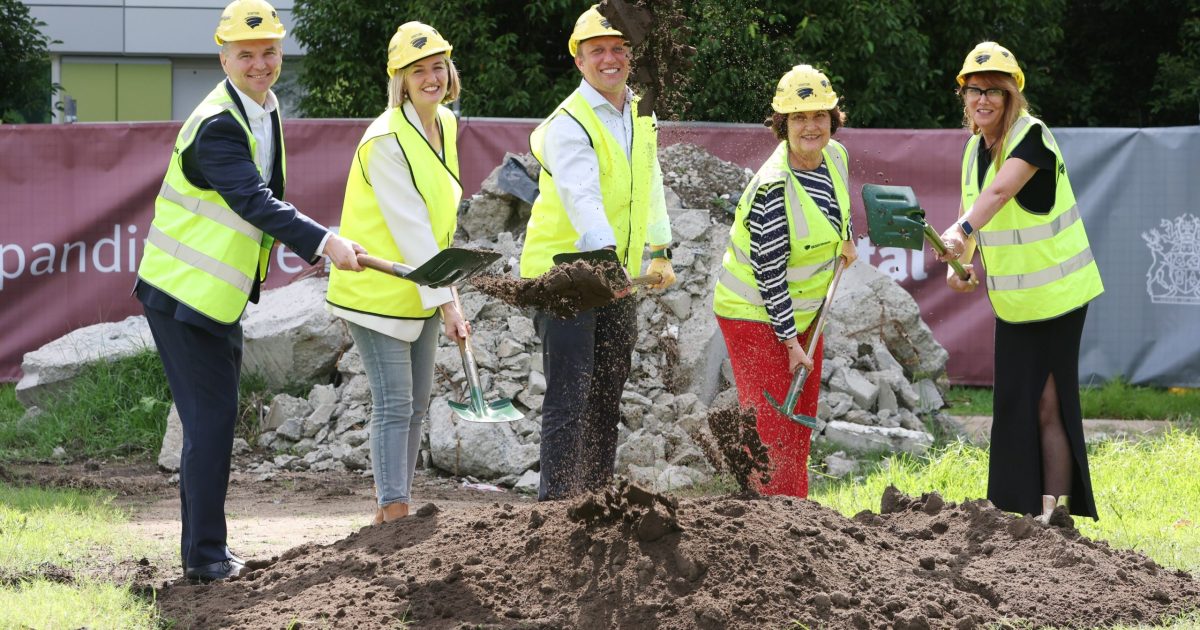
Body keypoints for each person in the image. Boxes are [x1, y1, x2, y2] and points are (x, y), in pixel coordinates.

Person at [134, 0, 365, 583]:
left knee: (214, 421)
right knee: (210, 424)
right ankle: (205, 558)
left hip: (217, 296)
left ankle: (207, 551)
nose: (260, 64)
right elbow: (254, 202)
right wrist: (324, 242)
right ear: (223, 57)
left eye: (268, 53)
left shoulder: (262, 107)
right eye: (246, 55)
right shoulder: (217, 124)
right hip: (184, 298)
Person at [937, 42, 1105, 522]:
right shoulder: (973, 150)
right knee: (1014, 404)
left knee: (1049, 401)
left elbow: (1000, 191)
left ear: (1013, 97)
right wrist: (959, 265)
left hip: (1060, 297)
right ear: (964, 97)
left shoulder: (1031, 136)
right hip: (1014, 303)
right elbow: (975, 220)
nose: (984, 100)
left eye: (995, 91)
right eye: (974, 91)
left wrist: (962, 231)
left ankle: (1051, 513)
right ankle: (1014, 513)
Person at [519, 5, 676, 501]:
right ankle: (557, 514)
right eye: (597, 51)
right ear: (580, 62)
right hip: (566, 276)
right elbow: (582, 197)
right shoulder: (570, 123)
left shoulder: (638, 110)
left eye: (618, 49)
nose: (610, 59)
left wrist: (660, 247)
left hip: (614, 273)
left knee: (607, 395)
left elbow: (649, 181)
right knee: (570, 397)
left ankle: (596, 501)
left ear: (631, 56)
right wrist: (606, 257)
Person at [325, 22, 469, 524]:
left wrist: (450, 296)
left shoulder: (445, 124)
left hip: (421, 287)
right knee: (394, 403)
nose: (430, 78)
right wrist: (448, 300)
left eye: (437, 67)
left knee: (418, 404)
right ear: (400, 81)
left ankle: (394, 510)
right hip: (376, 289)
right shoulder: (384, 140)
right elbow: (411, 229)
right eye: (417, 71)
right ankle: (393, 515)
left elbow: (438, 225)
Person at [712, 64, 857, 498]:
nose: (811, 127)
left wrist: (846, 240)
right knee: (771, 431)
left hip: (807, 312)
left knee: (798, 424)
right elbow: (770, 272)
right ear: (783, 124)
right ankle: (770, 532)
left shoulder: (836, 157)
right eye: (799, 117)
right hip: (756, 316)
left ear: (833, 118)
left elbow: (837, 213)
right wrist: (791, 344)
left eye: (819, 115)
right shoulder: (773, 187)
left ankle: (798, 520)